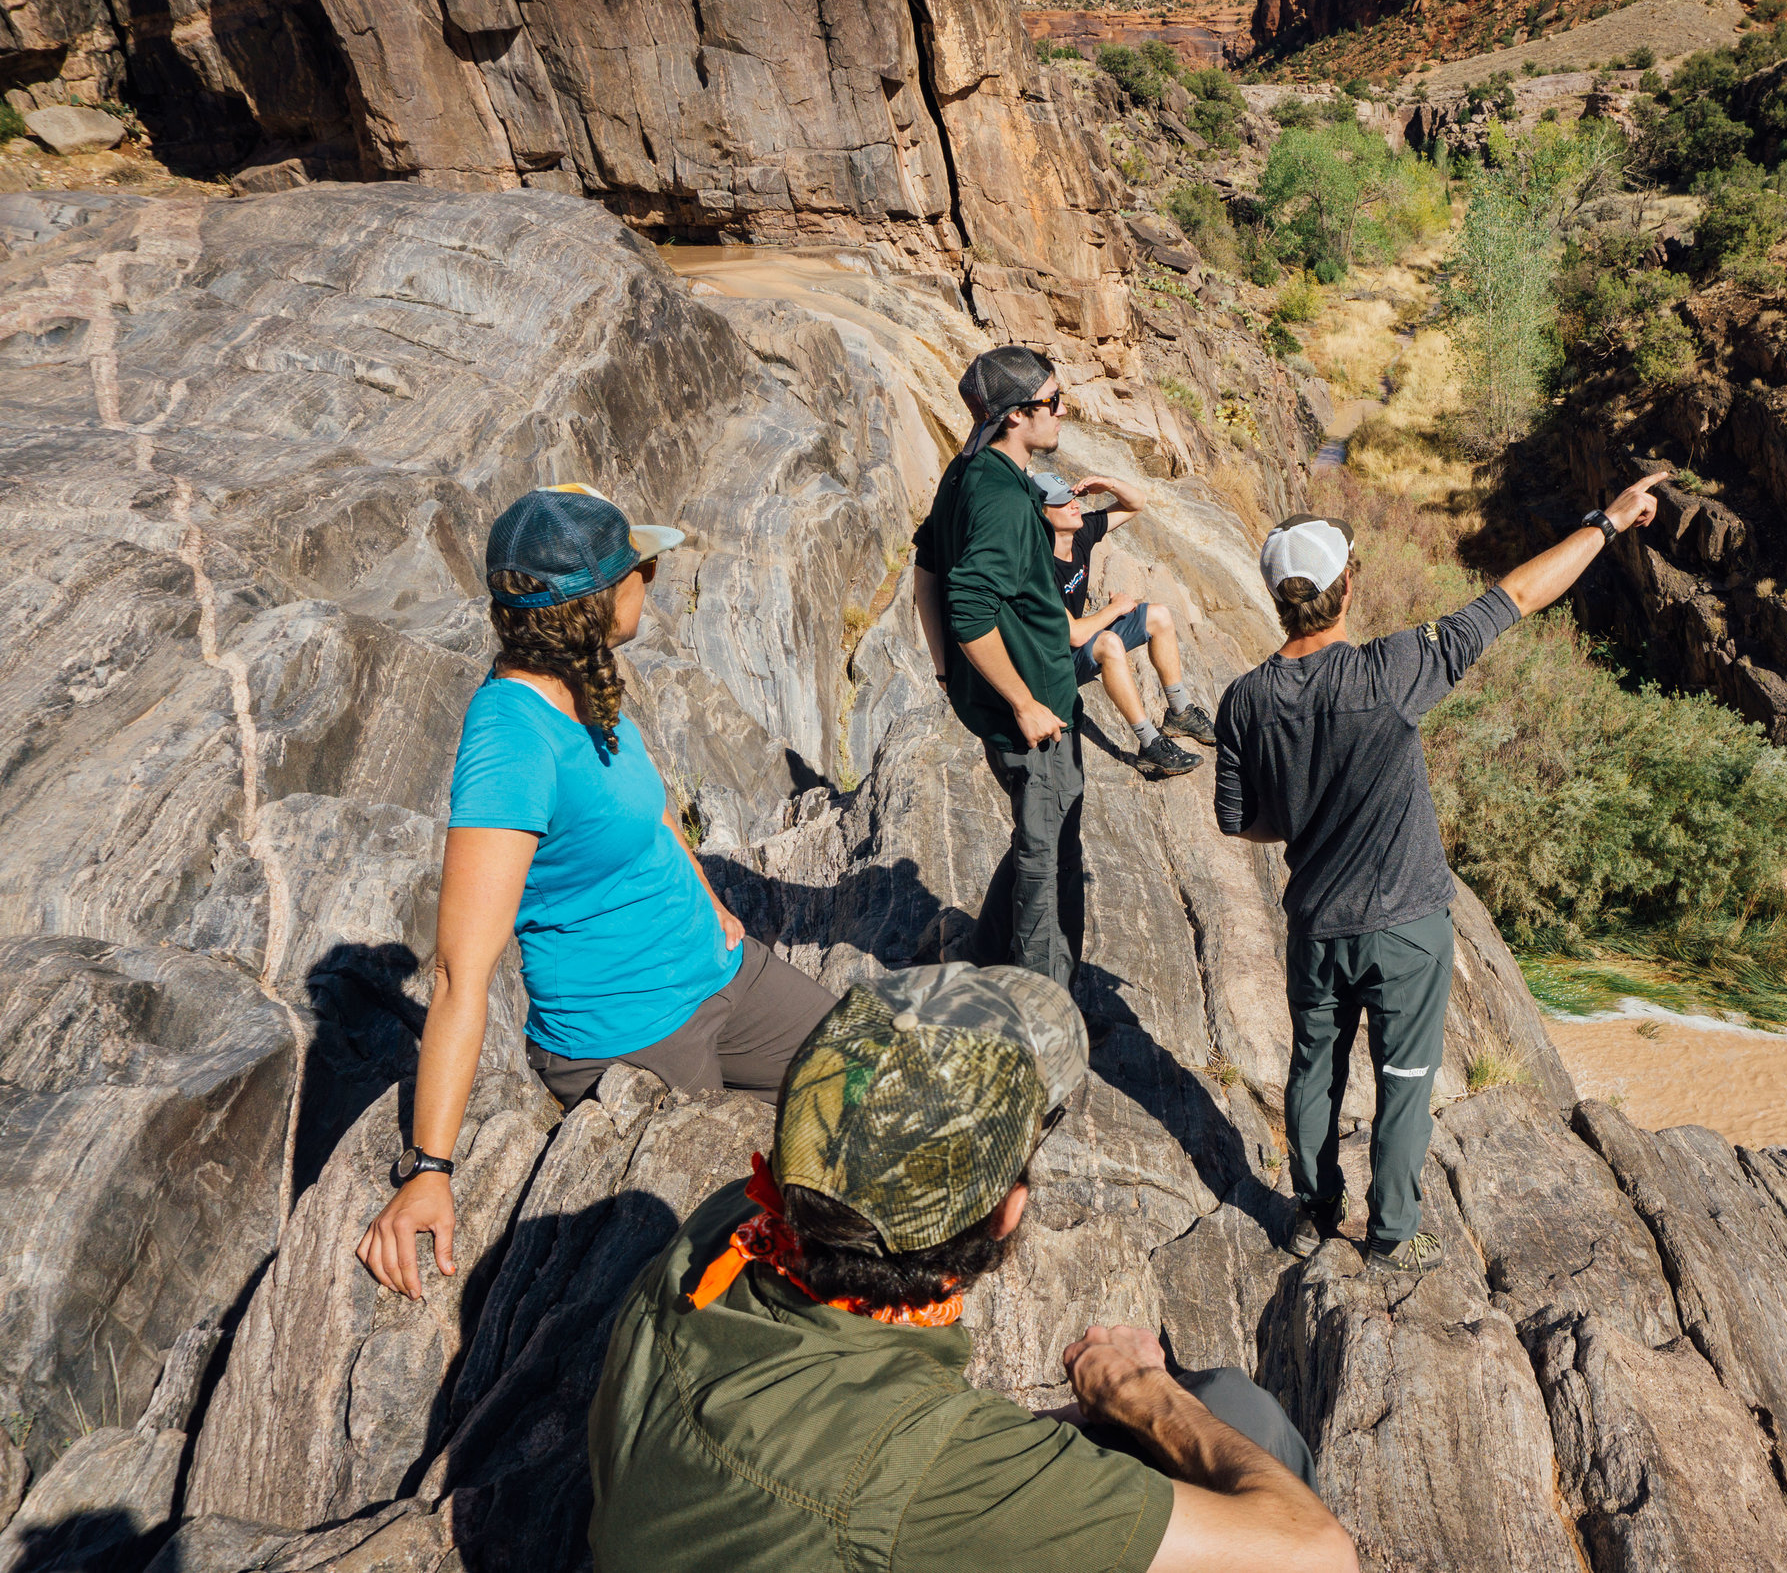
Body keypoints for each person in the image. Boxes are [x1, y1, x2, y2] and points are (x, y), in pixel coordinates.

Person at [586, 963, 1358, 1573]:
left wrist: (1049, 1444)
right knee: (1238, 1415)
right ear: (1007, 1212)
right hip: (852, 1505)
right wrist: (1138, 1391)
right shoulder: (917, 1474)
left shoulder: (732, 1224)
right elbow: (1318, 1555)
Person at [356, 483, 838, 1300]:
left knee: (863, 1073)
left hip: (720, 968)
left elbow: (644, 805)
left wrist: (705, 891)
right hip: (629, 1031)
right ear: (592, 602)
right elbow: (456, 973)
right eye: (637, 566)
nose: (650, 574)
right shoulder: (510, 742)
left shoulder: (586, 676)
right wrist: (429, 1165)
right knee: (732, 1252)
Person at [1213, 470, 1672, 1277]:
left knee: (1313, 1070)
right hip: (1407, 931)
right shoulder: (1393, 674)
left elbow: (1237, 818)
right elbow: (1517, 596)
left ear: (1278, 596)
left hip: (1317, 925)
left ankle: (1312, 1215)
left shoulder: (1245, 699)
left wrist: (1305, 809)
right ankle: (1392, 1234)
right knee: (1404, 1080)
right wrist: (1608, 522)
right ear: (1347, 587)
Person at [914, 347, 1086, 990]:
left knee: (1038, 837)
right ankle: (1041, 1012)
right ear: (1016, 416)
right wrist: (1023, 702)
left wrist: (946, 673)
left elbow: (927, 572)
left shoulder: (964, 472)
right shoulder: (1006, 501)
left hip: (1013, 699)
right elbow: (968, 606)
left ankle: (985, 953)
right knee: (1048, 859)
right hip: (1034, 715)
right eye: (1053, 403)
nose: (1063, 413)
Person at [1035, 469, 1216, 781]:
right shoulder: (1039, 566)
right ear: (1043, 515)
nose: (1074, 504)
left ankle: (1180, 712)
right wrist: (1115, 609)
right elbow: (1074, 635)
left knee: (1157, 615)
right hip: (1052, 666)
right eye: (1063, 502)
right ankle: (1150, 745)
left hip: (1076, 651)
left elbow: (1136, 504)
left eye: (1072, 496)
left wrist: (1110, 484)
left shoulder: (1080, 533)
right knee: (1108, 643)